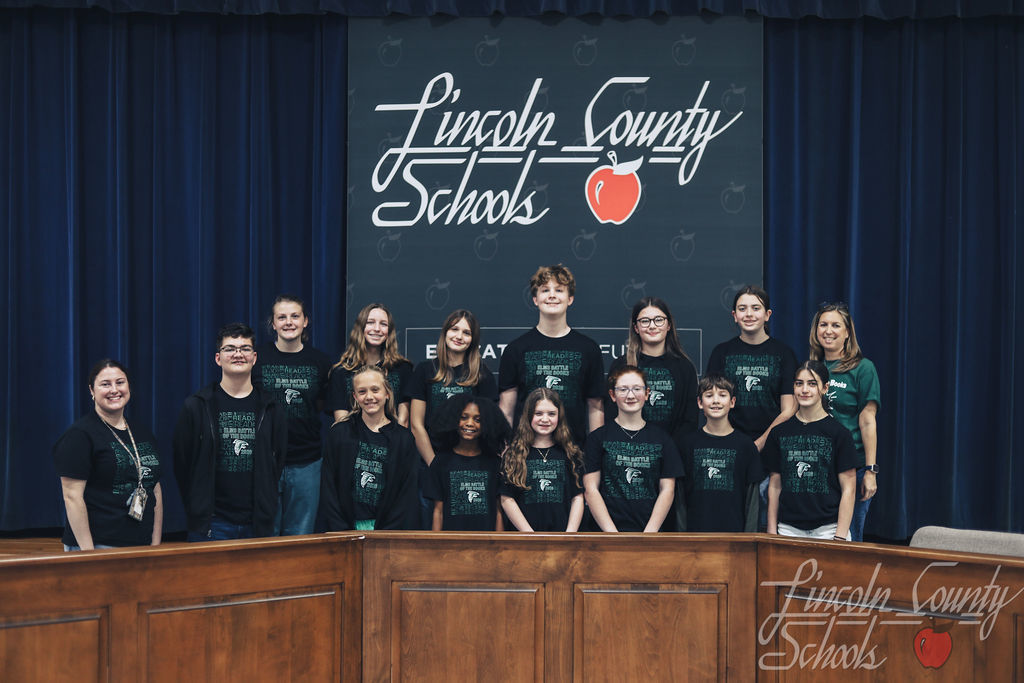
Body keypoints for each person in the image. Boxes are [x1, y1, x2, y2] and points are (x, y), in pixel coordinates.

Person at [173, 323, 287, 541]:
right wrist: (197, 506)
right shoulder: (196, 406)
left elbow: (278, 460)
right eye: (230, 348)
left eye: (244, 349)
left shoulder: (272, 408)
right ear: (218, 358)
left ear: (254, 358)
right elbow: (182, 463)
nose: (238, 354)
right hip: (211, 523)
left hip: (257, 523)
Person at [706, 285, 797, 530]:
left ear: (767, 314)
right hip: (728, 451)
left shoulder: (784, 354)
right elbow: (711, 402)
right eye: (742, 309)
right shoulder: (722, 353)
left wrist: (758, 443)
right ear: (734, 315)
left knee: (764, 524)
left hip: (769, 455)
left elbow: (789, 409)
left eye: (756, 308)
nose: (749, 314)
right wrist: (737, 443)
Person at [53, 359, 163, 550]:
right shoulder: (80, 435)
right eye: (105, 384)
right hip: (98, 546)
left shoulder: (142, 432)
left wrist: (155, 544)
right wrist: (89, 555)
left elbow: (155, 489)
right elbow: (72, 497)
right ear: (91, 391)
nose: (114, 390)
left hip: (141, 544)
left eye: (120, 382)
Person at [407, 309, 498, 528]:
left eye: (466, 332)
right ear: (445, 333)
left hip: (469, 465)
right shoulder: (425, 370)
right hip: (430, 462)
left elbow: (488, 424)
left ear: (473, 340)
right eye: (454, 329)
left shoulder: (482, 374)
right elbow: (416, 424)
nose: (459, 336)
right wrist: (435, 464)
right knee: (431, 528)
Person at [499, 264, 604, 446]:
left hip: (574, 451)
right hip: (525, 452)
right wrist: (505, 448)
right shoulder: (516, 349)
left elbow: (595, 407)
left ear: (570, 298)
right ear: (535, 299)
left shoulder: (589, 349)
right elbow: (506, 410)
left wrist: (595, 454)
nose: (552, 295)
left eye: (559, 290)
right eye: (545, 290)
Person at [253, 295, 332, 535]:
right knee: (265, 535)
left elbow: (319, 404)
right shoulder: (257, 358)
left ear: (305, 321)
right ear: (273, 324)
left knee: (300, 535)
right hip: (265, 459)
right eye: (282, 317)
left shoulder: (320, 361)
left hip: (306, 461)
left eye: (295, 316)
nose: (289, 322)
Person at [810, 302, 881, 542]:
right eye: (823, 325)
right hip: (818, 467)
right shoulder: (812, 368)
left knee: (849, 540)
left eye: (835, 325)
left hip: (854, 468)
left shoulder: (863, 368)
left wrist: (870, 471)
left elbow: (868, 420)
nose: (828, 331)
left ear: (847, 332)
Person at [765, 361, 857, 541]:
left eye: (812, 383)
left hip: (829, 529)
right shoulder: (779, 433)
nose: (804, 389)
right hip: (788, 529)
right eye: (799, 383)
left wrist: (840, 536)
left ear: (825, 388)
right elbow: (775, 486)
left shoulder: (840, 434)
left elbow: (849, 489)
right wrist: (771, 531)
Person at [584, 365, 683, 533]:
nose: (630, 395)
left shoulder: (663, 439)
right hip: (606, 534)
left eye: (637, 389)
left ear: (647, 393)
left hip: (651, 535)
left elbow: (667, 489)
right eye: (623, 389)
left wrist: (649, 533)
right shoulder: (597, 438)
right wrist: (611, 534)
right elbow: (590, 489)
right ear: (612, 395)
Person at [319, 365, 419, 530]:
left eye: (375, 390)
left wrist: (386, 533)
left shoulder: (403, 439)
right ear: (354, 396)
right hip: (345, 531)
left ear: (387, 393)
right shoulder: (339, 434)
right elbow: (329, 487)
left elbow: (406, 494)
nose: (369, 397)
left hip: (388, 533)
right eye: (362, 391)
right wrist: (341, 531)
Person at [607, 297, 698, 441]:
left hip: (672, 454)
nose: (652, 326)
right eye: (645, 321)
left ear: (668, 325)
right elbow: (611, 414)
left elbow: (690, 421)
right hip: (628, 452)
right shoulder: (621, 365)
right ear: (636, 328)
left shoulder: (685, 368)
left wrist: (670, 452)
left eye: (659, 319)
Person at [677, 375, 761, 532]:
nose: (716, 401)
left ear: (732, 402)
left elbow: (752, 500)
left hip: (734, 538)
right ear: (700, 403)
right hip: (695, 537)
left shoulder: (745, 446)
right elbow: (679, 499)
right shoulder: (687, 445)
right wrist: (682, 539)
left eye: (722, 395)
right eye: (709, 395)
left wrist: (749, 540)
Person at [499, 388, 585, 532]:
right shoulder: (514, 454)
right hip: (525, 540)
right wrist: (529, 535)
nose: (545, 419)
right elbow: (507, 499)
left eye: (551, 414)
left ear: (559, 416)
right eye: (538, 413)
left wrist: (570, 535)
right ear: (528, 415)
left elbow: (577, 497)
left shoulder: (570, 453)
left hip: (563, 538)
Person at [424, 394, 510, 531]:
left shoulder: (494, 463)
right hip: (450, 545)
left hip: (486, 545)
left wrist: (498, 547)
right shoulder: (441, 462)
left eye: (478, 419)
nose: (470, 423)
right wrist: (436, 548)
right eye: (464, 417)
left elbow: (498, 511)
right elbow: (437, 511)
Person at [326, 303, 414, 426]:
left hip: (392, 442)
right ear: (361, 327)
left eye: (383, 324)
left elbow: (403, 421)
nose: (377, 328)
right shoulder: (341, 372)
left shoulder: (403, 368)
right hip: (353, 442)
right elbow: (341, 422)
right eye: (370, 322)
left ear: (389, 331)